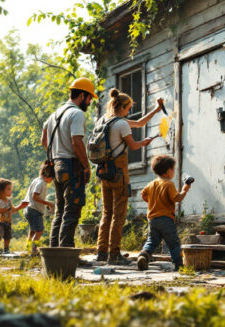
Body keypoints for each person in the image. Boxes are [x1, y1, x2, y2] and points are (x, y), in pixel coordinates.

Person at [95, 89, 162, 264]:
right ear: (122, 107)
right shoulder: (122, 124)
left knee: (107, 212)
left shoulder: (104, 120)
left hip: (104, 171)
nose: (129, 111)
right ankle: (114, 254)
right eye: (129, 108)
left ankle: (102, 252)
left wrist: (156, 109)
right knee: (119, 214)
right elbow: (133, 146)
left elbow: (139, 123)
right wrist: (144, 142)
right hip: (118, 172)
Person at [40, 77, 97, 248]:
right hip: (71, 165)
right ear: (82, 95)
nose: (89, 102)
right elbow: (76, 142)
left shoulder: (54, 115)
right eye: (89, 98)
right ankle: (66, 251)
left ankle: (54, 250)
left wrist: (56, 153)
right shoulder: (76, 113)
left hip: (56, 165)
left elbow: (43, 140)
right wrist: (86, 166)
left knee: (60, 210)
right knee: (72, 210)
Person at [136, 155, 191, 272]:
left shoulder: (151, 184)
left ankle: (143, 256)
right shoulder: (168, 184)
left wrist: (152, 202)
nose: (174, 171)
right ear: (168, 171)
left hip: (153, 220)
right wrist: (185, 189)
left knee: (152, 241)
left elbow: (143, 194)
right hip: (166, 219)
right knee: (173, 243)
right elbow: (176, 198)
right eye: (173, 169)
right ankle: (179, 265)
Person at [23, 164, 55, 255]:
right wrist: (47, 203)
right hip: (34, 210)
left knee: (33, 231)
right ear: (48, 176)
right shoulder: (41, 183)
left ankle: (28, 248)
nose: (52, 180)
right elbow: (35, 196)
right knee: (39, 231)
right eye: (52, 178)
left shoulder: (36, 180)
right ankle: (34, 250)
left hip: (29, 209)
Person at [0, 178, 27, 254]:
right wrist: (9, 209)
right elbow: (0, 210)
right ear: (1, 191)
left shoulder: (9, 200)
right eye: (9, 189)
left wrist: (21, 206)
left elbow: (13, 209)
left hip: (7, 222)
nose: (11, 191)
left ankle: (6, 249)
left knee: (8, 236)